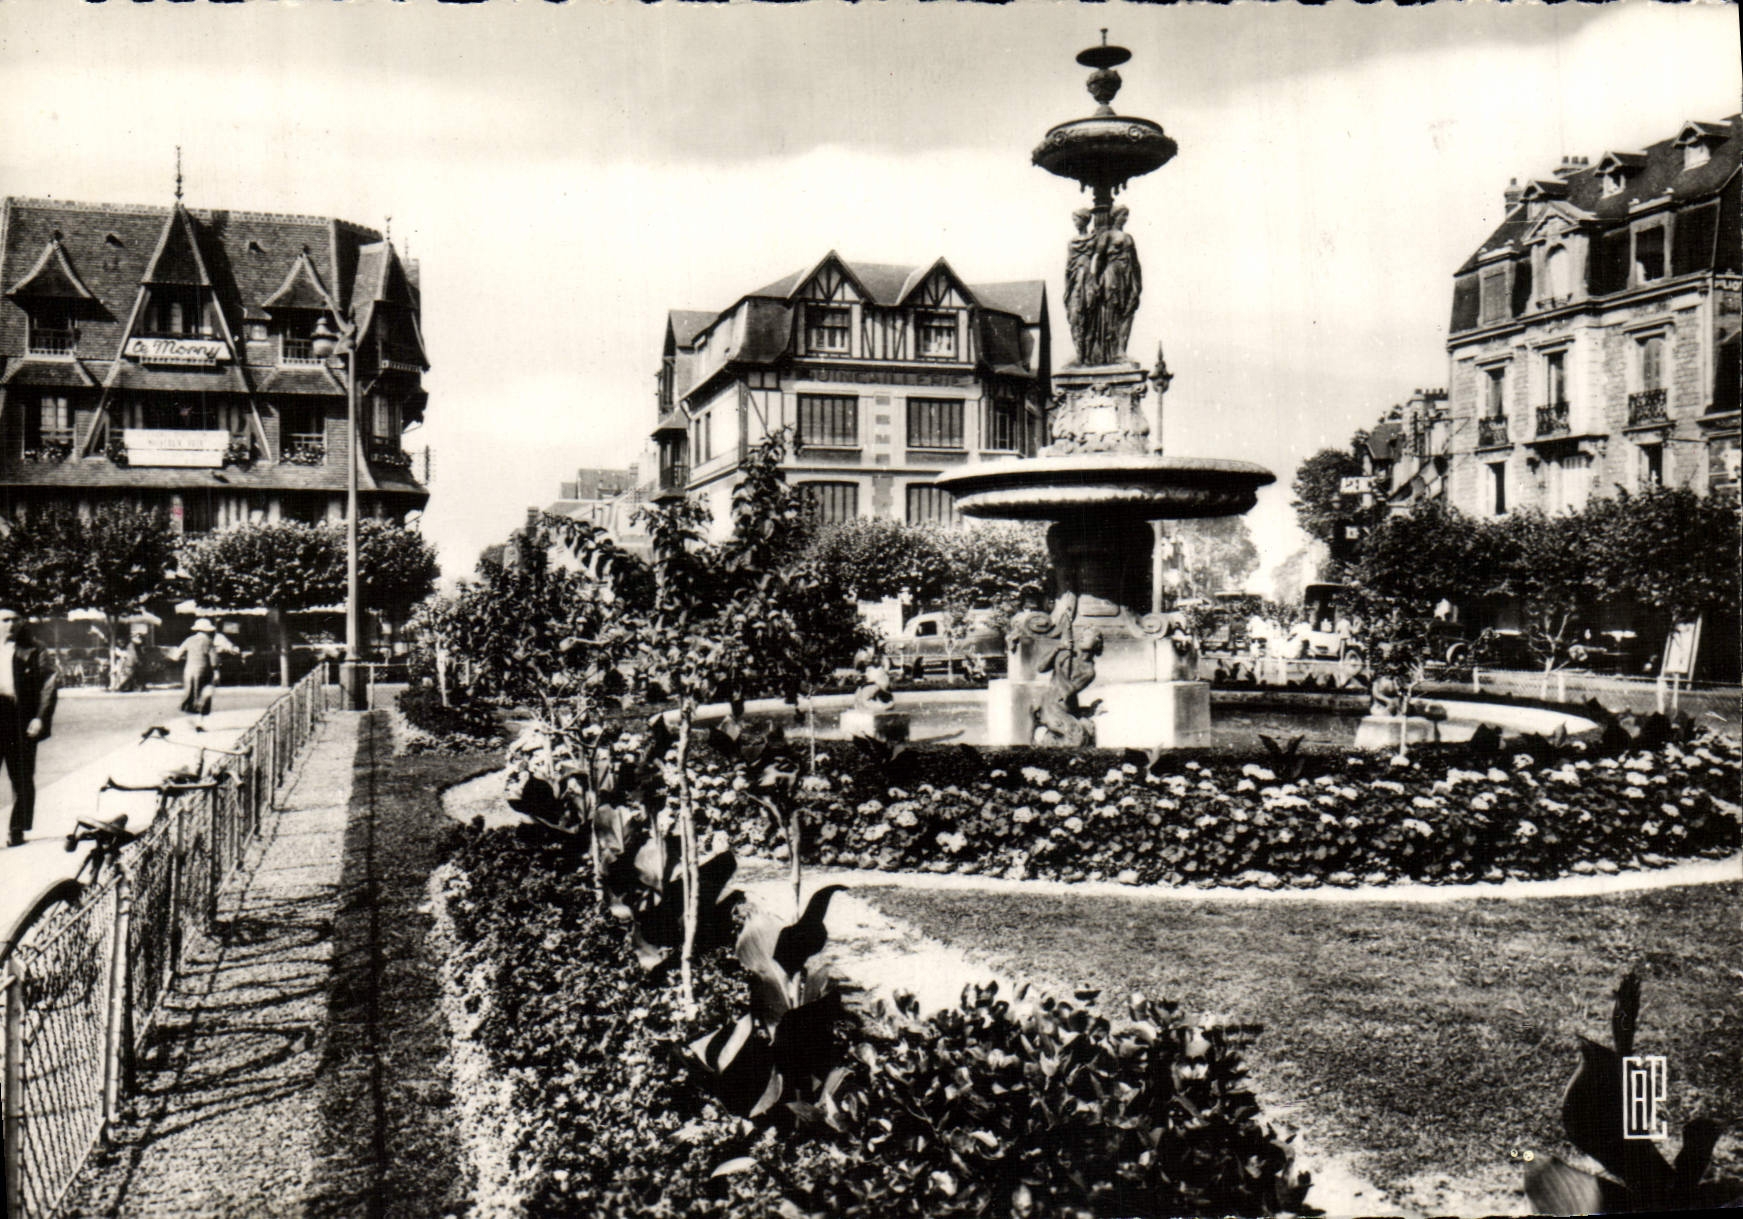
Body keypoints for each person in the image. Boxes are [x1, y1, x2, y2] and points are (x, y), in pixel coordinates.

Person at [2, 608, 59, 847]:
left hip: (20, 718)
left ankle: (17, 828)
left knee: (23, 776)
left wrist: (39, 717)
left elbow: (48, 684)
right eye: (5, 620)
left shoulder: (35, 649)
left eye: (17, 619)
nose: (12, 624)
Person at [170, 618, 238, 730]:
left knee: (192, 694)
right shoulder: (208, 641)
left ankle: (192, 718)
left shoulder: (189, 640)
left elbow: (176, 656)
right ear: (207, 630)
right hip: (203, 671)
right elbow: (213, 659)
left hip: (188, 671)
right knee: (204, 694)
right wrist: (216, 672)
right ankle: (199, 722)